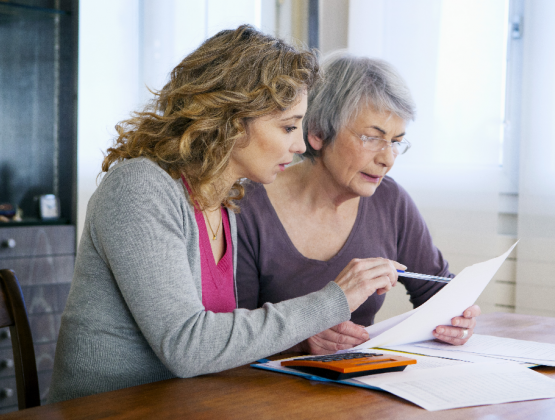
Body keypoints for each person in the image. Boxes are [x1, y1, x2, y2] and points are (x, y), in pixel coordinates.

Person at [48, 27, 402, 403]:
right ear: (232, 120)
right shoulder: (139, 189)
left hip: (186, 406)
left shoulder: (226, 201)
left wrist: (303, 337)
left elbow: (221, 338)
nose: (299, 145)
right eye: (287, 126)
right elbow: (188, 346)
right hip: (106, 411)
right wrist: (334, 300)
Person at [236, 52, 480, 355]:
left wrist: (457, 319)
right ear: (318, 133)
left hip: (361, 387)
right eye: (371, 137)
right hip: (264, 391)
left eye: (395, 141)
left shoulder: (390, 200)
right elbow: (230, 333)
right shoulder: (246, 208)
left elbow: (437, 290)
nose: (387, 159)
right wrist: (301, 340)